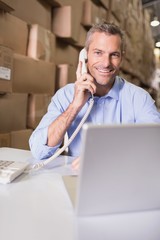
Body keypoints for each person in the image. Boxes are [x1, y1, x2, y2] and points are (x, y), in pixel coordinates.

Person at [29, 21, 160, 170]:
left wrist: (105, 158)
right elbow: (39, 150)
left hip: (124, 181)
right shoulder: (65, 95)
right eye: (98, 53)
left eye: (114, 55)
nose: (106, 63)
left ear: (121, 58)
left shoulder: (139, 99)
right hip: (77, 179)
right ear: (85, 56)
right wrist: (75, 106)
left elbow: (154, 148)